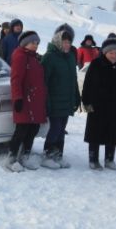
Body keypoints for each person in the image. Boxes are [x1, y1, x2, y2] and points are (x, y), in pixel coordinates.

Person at [81, 35, 116, 171]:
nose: (114, 55)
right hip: (98, 106)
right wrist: (86, 102)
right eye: (111, 53)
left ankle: (109, 159)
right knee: (95, 133)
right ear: (105, 52)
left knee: (113, 134)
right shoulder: (96, 64)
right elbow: (87, 85)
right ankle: (93, 159)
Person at [6, 31, 48, 171]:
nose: (35, 45)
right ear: (25, 44)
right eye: (32, 43)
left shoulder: (34, 57)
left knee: (33, 128)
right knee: (22, 129)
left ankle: (25, 156)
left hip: (35, 101)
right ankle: (11, 158)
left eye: (37, 43)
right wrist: (17, 98)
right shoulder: (20, 56)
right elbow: (16, 79)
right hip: (25, 100)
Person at [40, 24, 80, 169]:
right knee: (55, 128)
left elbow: (73, 79)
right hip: (54, 101)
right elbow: (44, 82)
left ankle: (58, 155)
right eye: (64, 42)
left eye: (69, 42)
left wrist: (76, 97)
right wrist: (46, 102)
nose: (67, 44)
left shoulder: (70, 57)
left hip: (66, 100)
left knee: (61, 129)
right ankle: (47, 155)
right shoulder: (49, 57)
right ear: (58, 41)